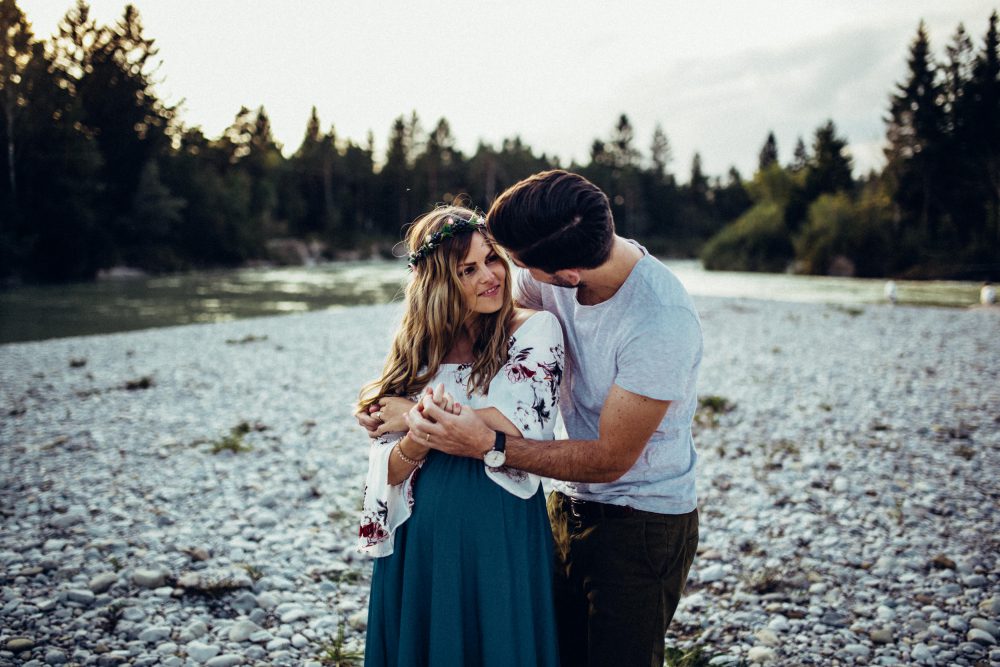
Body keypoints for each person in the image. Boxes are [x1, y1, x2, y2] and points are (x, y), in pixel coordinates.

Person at [404, 171, 703, 667]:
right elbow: (484, 323)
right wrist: (406, 398)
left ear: (566, 276)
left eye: (514, 264)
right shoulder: (563, 253)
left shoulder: (660, 322)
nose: (507, 275)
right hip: (565, 502)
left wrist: (488, 443)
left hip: (643, 520)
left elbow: (611, 460)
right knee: (552, 653)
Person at [356, 205, 565, 667]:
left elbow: (519, 422)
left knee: (499, 644)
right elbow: (387, 469)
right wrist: (419, 435)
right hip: (420, 534)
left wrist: (411, 414)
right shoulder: (416, 350)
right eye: (467, 269)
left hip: (498, 526)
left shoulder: (532, 329)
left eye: (492, 259)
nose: (489, 275)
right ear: (438, 282)